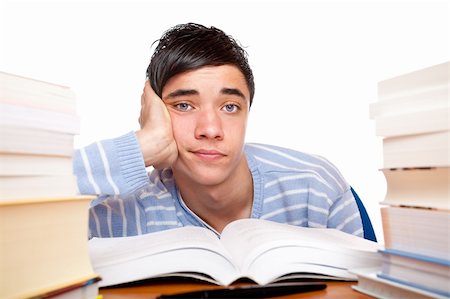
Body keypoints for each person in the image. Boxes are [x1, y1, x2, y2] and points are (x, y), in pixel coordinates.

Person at [74, 22, 364, 239]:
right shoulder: (126, 212)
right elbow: (29, 217)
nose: (210, 130)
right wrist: (140, 146)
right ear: (155, 112)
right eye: (185, 106)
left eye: (229, 107)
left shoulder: (316, 187)